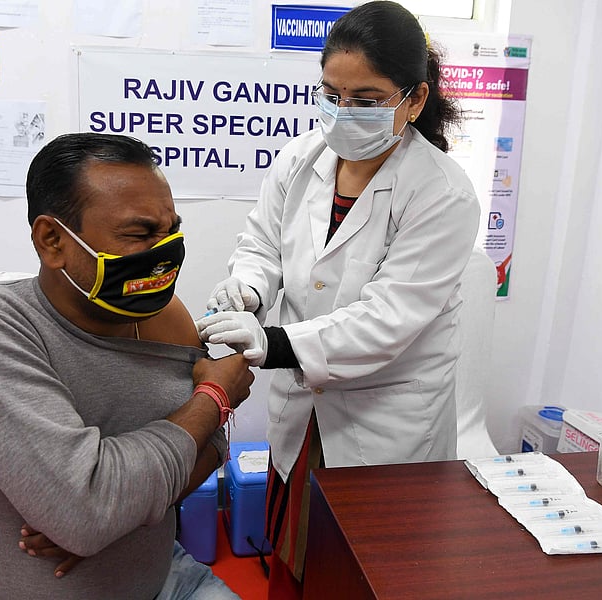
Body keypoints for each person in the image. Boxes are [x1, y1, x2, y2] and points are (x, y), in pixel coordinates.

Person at [195, 2, 481, 598]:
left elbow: (388, 317)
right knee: (293, 556)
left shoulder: (442, 193)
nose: (344, 112)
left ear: (415, 100)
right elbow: (262, 244)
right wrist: (249, 286)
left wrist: (272, 344)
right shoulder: (301, 160)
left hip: (385, 419)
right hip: (304, 409)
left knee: (362, 573)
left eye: (368, 99)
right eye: (332, 93)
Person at [0, 132, 254, 599]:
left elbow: (211, 446)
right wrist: (214, 398)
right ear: (52, 240)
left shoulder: (164, 314)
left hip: (168, 580)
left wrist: (117, 514)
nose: (164, 252)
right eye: (139, 234)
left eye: (171, 231)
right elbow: (86, 511)